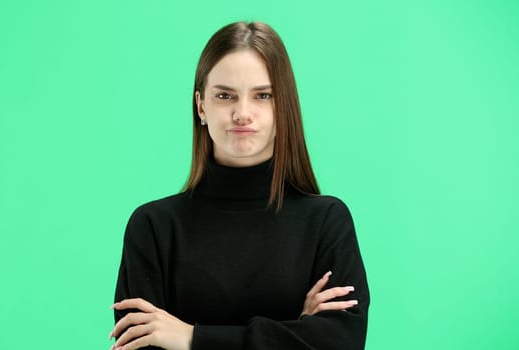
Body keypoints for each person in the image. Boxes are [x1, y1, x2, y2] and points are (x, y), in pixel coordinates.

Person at [109, 21, 369, 350]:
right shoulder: (154, 228)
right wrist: (295, 332)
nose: (242, 113)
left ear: (283, 107)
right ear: (201, 106)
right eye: (224, 95)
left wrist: (191, 337)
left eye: (263, 95)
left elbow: (341, 344)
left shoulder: (326, 222)